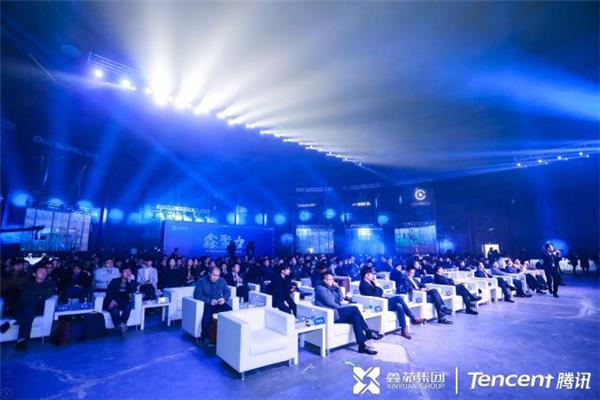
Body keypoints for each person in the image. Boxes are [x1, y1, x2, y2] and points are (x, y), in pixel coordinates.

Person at [315, 272, 382, 355]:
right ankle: (368, 331)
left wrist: (338, 288)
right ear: (324, 280)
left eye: (333, 279)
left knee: (356, 318)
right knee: (354, 308)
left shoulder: (331, 288)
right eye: (330, 279)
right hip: (331, 315)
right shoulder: (320, 289)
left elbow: (340, 299)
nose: (332, 281)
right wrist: (344, 308)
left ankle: (362, 346)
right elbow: (330, 303)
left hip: (337, 312)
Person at [359, 267, 424, 339]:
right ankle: (412, 317)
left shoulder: (371, 282)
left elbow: (381, 291)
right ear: (366, 275)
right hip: (377, 304)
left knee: (399, 306)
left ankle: (404, 329)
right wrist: (377, 286)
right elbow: (374, 295)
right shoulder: (363, 285)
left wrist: (377, 287)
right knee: (398, 298)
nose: (373, 275)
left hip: (382, 301)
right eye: (371, 274)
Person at [11, 265, 57, 350]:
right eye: (40, 271)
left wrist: (37, 295)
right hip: (27, 307)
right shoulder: (27, 284)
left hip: (40, 308)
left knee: (32, 303)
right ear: (34, 274)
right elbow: (24, 296)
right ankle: (22, 339)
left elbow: (49, 293)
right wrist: (39, 295)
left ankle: (13, 321)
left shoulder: (49, 284)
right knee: (30, 309)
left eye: (45, 272)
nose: (43, 273)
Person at [193, 266, 231, 345]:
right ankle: (205, 338)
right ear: (209, 273)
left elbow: (227, 292)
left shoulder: (222, 281)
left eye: (217, 275)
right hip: (208, 304)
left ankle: (227, 334)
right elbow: (196, 295)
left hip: (218, 303)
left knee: (229, 310)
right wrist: (209, 301)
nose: (215, 277)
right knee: (206, 318)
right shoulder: (201, 281)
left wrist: (224, 299)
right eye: (214, 275)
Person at [103, 266, 137, 335]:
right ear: (121, 273)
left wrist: (129, 281)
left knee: (129, 306)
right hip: (113, 299)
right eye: (126, 271)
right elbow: (109, 292)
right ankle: (121, 326)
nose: (128, 273)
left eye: (129, 271)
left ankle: (121, 325)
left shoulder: (132, 282)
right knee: (115, 310)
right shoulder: (115, 281)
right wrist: (112, 300)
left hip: (123, 301)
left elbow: (133, 291)